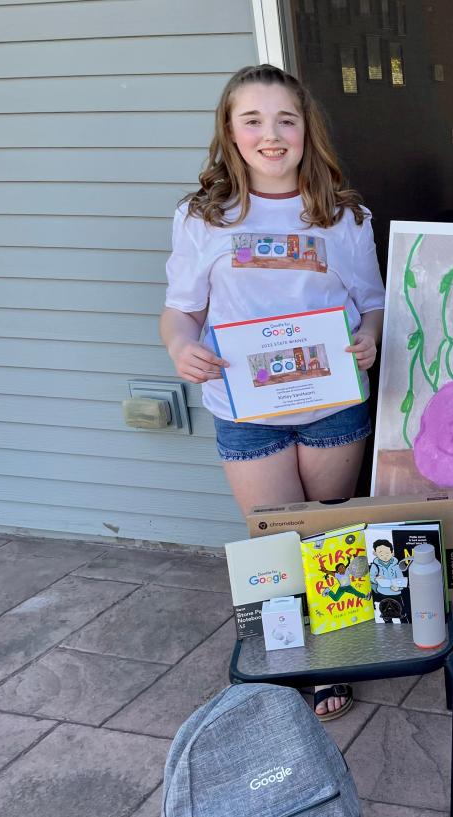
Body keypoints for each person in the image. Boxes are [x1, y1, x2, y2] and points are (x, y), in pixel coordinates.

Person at [161, 64, 384, 721]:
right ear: (230, 131)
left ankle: (335, 658)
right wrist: (180, 348)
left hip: (333, 404)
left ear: (306, 129)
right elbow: (179, 310)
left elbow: (371, 304)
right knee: (272, 543)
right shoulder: (202, 218)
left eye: (285, 118)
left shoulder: (344, 216)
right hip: (245, 408)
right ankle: (289, 655)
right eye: (252, 119)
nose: (270, 133)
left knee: (327, 535)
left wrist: (369, 339)